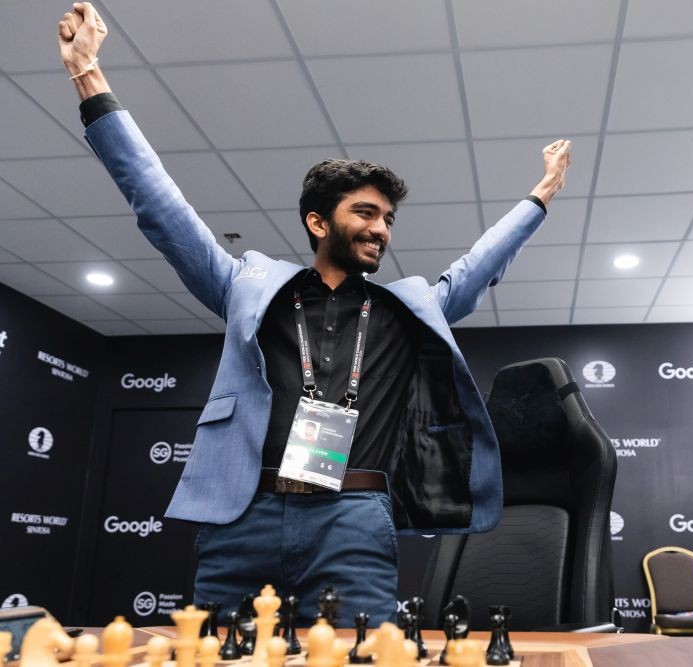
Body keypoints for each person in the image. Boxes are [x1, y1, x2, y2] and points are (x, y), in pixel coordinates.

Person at [58, 3, 571, 625]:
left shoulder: (408, 309)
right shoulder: (247, 286)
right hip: (243, 515)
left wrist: (539, 197)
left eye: (387, 219)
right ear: (318, 221)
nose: (380, 229)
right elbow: (161, 207)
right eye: (365, 213)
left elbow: (479, 265)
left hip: (353, 519)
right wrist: (90, 77)